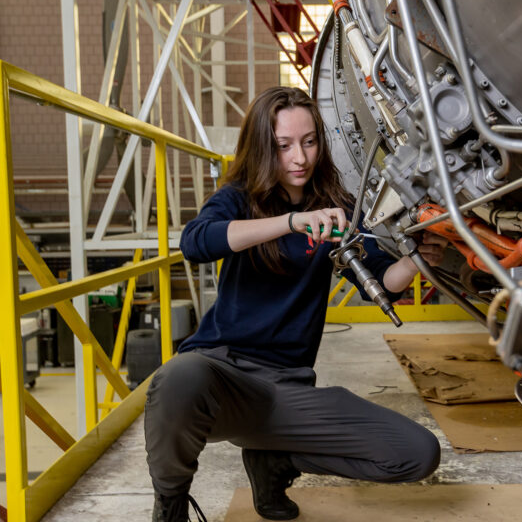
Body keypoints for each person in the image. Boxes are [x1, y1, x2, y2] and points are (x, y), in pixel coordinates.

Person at [145, 86, 447, 522]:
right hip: (223, 375)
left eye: (309, 142)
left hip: (287, 390)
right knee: (176, 379)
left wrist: (416, 261)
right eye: (284, 146)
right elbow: (196, 242)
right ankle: (171, 503)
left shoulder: (338, 208)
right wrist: (290, 222)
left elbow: (380, 281)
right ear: (264, 147)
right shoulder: (239, 197)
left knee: (417, 454)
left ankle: (277, 460)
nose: (299, 158)